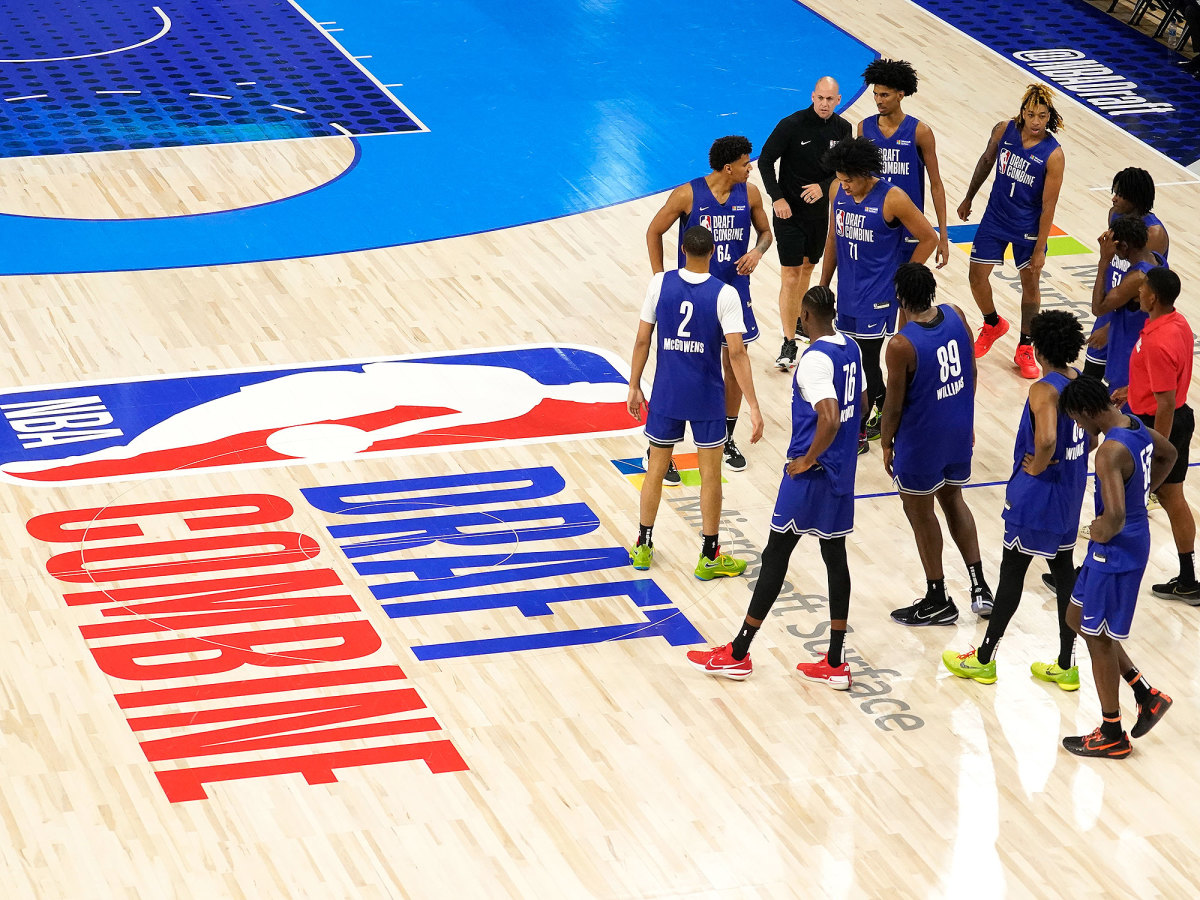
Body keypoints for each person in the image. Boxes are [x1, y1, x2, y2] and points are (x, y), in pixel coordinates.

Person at [686, 285, 864, 684]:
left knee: (776, 555)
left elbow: (831, 417)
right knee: (836, 559)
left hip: (812, 475)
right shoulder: (849, 347)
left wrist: (808, 458)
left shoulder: (815, 359)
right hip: (841, 473)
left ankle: (738, 652)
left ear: (805, 315)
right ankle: (835, 662)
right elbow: (863, 402)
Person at [942, 310, 1088, 687]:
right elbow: (1092, 435)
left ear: (1039, 350)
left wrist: (1038, 466)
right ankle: (1067, 663)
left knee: (1012, 572)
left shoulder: (1043, 389)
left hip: (1038, 495)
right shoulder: (1082, 382)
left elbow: (1047, 439)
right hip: (1071, 492)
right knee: (1064, 572)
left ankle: (985, 657)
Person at [627, 225, 764, 578]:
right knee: (710, 476)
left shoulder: (659, 283)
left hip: (667, 392)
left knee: (655, 469)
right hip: (706, 396)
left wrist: (633, 386)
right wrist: (753, 404)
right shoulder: (725, 294)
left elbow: (643, 340)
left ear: (683, 249)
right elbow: (736, 353)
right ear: (714, 251)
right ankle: (709, 555)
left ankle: (643, 545)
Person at [1057, 376, 1175, 759]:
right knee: (1077, 618)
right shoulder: (1135, 424)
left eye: (1077, 419)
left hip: (1118, 549)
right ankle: (1145, 694)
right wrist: (1146, 491)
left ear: (1088, 411)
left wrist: (1096, 531)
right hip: (1121, 544)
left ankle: (1112, 732)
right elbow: (1169, 454)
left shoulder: (1107, 452)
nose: (1078, 427)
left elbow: (1117, 516)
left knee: (1098, 638)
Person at [646, 135, 772, 478]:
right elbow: (654, 231)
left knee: (733, 364)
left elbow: (765, 232)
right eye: (747, 163)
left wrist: (758, 252)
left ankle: (727, 436)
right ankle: (659, 445)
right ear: (729, 167)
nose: (751, 168)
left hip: (733, 291)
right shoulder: (687, 194)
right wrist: (661, 280)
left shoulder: (751, 194)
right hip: (692, 294)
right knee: (680, 362)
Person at [880, 263, 993, 624]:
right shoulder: (956, 314)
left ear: (900, 297)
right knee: (954, 499)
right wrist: (966, 417)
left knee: (920, 512)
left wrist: (885, 443)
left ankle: (937, 596)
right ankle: (980, 586)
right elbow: (971, 373)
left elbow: (893, 404)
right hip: (958, 428)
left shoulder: (900, 346)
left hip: (922, 440)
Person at [819, 137, 937, 453]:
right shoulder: (836, 192)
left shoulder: (892, 198)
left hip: (878, 296)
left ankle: (861, 430)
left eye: (848, 181)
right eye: (840, 180)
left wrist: (904, 280)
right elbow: (834, 237)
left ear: (864, 172)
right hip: (847, 292)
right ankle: (883, 413)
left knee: (864, 363)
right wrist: (823, 283)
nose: (843, 186)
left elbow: (929, 238)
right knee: (855, 362)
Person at [957, 84, 1066, 379]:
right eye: (1031, 114)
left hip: (1027, 226)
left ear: (1049, 117)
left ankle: (1025, 346)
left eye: (1042, 116)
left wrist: (1041, 247)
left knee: (1030, 284)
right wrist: (969, 197)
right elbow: (985, 162)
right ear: (1022, 112)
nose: (1035, 121)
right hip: (995, 216)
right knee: (975, 276)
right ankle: (992, 323)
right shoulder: (1003, 130)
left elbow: (1049, 206)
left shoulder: (1053, 155)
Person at [759, 77, 852, 370]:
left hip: (818, 212)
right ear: (813, 97)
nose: (825, 104)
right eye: (820, 98)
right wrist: (777, 198)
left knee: (808, 267)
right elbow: (765, 161)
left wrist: (824, 186)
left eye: (830, 99)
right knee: (790, 273)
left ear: (838, 100)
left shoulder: (843, 129)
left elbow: (843, 169)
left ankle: (801, 321)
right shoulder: (792, 124)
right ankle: (788, 341)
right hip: (788, 212)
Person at [1128, 267, 1198, 604]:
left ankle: (1095, 572)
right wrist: (1133, 388)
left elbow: (1165, 403)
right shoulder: (1178, 322)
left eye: (1142, 288)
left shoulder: (1157, 341)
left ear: (1153, 297)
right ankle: (1188, 578)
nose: (1138, 292)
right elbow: (1166, 383)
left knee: (1125, 501)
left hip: (1157, 426)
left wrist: (1158, 448)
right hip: (1179, 417)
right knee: (1173, 499)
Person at [858, 58, 950, 268]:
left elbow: (936, 184)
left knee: (906, 294)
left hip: (910, 227)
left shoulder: (920, 132)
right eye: (875, 94)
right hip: (875, 224)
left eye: (884, 95)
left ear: (900, 95)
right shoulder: (864, 128)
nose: (878, 100)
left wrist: (943, 235)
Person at [1083, 168, 1169, 381]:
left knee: (1121, 388)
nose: (1114, 198)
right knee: (1089, 380)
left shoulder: (1154, 234)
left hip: (1132, 319)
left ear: (1136, 198)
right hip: (1112, 303)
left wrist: (1110, 329)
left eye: (1120, 195)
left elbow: (1150, 294)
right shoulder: (1115, 215)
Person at [1092, 215, 1165, 404]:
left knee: (1121, 427)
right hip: (1138, 350)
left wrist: (1103, 262)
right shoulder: (1158, 260)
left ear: (1124, 246)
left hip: (1127, 358)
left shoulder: (1137, 277)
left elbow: (1098, 308)